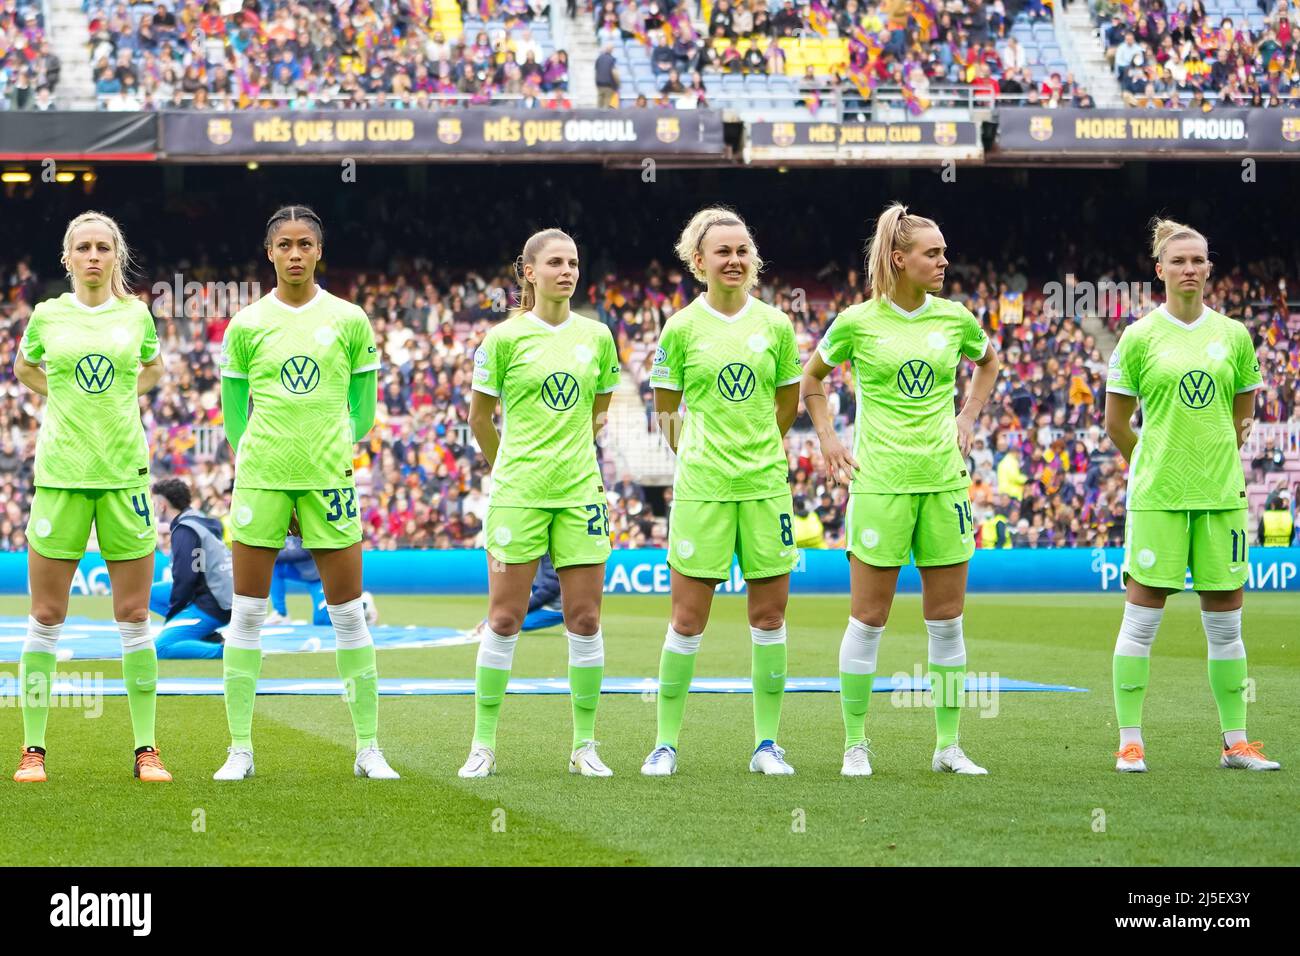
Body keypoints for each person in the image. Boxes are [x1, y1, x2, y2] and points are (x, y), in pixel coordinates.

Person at [801, 202, 1001, 777]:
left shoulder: (956, 318)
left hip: (943, 482)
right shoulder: (857, 323)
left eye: (942, 251)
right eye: (931, 253)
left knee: (947, 620)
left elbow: (988, 364)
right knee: (868, 618)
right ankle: (855, 743)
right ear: (899, 259)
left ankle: (947, 745)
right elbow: (811, 379)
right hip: (881, 483)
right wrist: (828, 439)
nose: (944, 260)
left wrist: (968, 417)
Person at [215, 205, 397, 781]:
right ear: (269, 253)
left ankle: (368, 747)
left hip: (328, 479)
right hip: (262, 480)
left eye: (305, 244)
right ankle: (239, 748)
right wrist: (268, 465)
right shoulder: (245, 325)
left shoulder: (350, 320)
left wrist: (319, 456)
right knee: (246, 616)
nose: (295, 253)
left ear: (320, 251)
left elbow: (363, 415)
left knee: (347, 614)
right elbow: (234, 419)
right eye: (284, 245)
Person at [1104, 217, 1280, 773]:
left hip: (1221, 496)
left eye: (1198, 260)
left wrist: (1218, 452)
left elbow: (1244, 408)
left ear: (1209, 268)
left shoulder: (1233, 335)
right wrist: (1152, 465)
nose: (1189, 269)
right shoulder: (1139, 337)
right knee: (1142, 617)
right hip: (1158, 497)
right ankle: (1130, 741)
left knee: (1227, 621)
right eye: (1178, 261)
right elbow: (1116, 424)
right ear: (1159, 270)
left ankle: (1236, 743)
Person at [641, 206, 803, 777]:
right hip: (703, 489)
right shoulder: (681, 328)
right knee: (687, 621)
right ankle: (665, 744)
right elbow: (666, 411)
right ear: (698, 261)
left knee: (769, 617)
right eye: (723, 252)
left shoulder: (777, 326)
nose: (734, 260)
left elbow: (787, 406)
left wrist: (758, 447)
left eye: (742, 252)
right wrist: (701, 457)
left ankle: (766, 745)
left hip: (763, 487)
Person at [13, 212, 169, 783]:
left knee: (133, 616)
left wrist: (124, 393)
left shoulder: (137, 315)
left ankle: (146, 750)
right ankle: (34, 750)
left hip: (125, 476)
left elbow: (153, 367)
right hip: (60, 476)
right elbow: (23, 365)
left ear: (116, 256)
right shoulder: (48, 316)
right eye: (84, 248)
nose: (94, 256)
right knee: (46, 616)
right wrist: (66, 392)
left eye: (104, 247)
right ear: (68, 258)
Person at [460, 228, 620, 778]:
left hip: (580, 493)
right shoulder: (502, 340)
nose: (567, 271)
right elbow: (479, 418)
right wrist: (508, 468)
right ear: (528, 272)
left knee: (585, 618)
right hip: (517, 497)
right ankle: (483, 745)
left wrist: (569, 454)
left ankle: (584, 746)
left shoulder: (598, 337)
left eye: (574, 262)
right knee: (503, 618)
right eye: (555, 262)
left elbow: (599, 412)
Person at [149, 477, 232, 659]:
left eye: (154, 502)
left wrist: (174, 613)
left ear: (162, 505)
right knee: (146, 594)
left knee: (160, 648)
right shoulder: (199, 520)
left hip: (213, 603)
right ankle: (206, 636)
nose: (153, 506)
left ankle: (228, 651)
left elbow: (185, 578)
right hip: (216, 594)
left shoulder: (186, 530)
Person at [468, 553, 564, 638]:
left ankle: (565, 615)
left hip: (555, 604)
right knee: (509, 617)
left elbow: (550, 588)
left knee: (518, 622)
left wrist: (522, 608)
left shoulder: (548, 551)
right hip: (541, 596)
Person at [267, 535, 329, 626]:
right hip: (298, 571)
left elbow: (308, 551)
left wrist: (271, 554)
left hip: (319, 577)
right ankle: (280, 614)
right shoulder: (277, 525)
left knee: (321, 620)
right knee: (273, 566)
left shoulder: (306, 523)